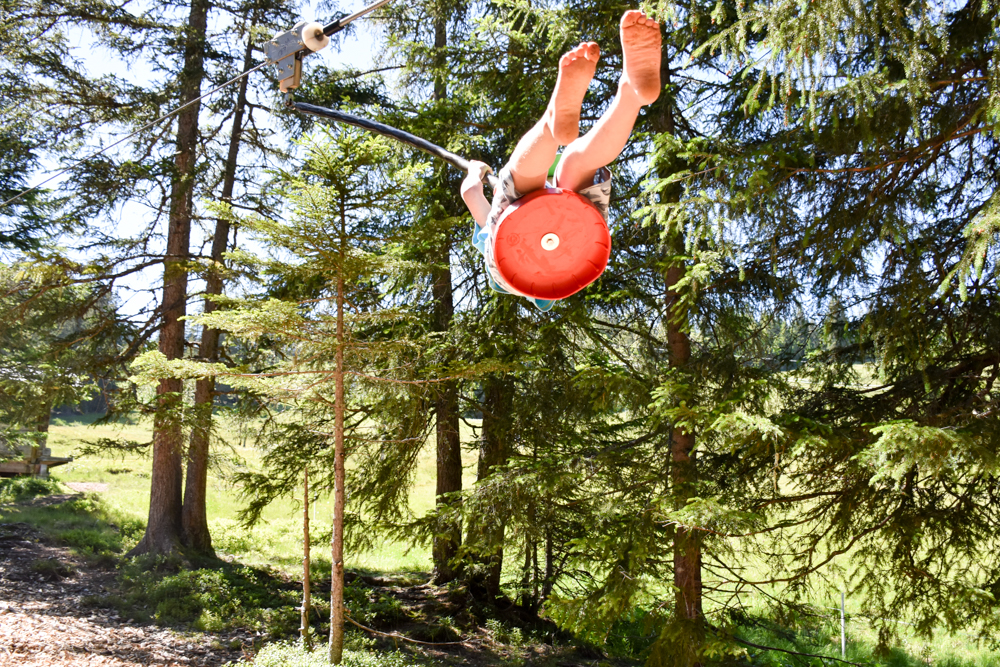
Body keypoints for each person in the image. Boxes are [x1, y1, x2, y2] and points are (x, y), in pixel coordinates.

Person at [461, 9, 662, 311]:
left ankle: (630, 96)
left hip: (581, 248)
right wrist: (476, 172)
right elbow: (469, 193)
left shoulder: (548, 289)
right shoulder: (487, 236)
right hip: (513, 258)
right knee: (539, 173)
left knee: (564, 177)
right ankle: (554, 124)